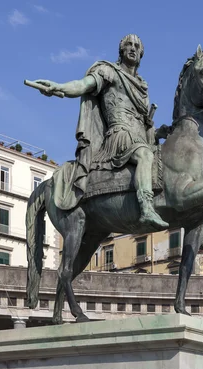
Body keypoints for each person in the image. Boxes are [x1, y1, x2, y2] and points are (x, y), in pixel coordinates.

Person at [33, 34, 169, 230]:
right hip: (119, 135)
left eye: (137, 46)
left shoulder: (142, 87)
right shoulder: (109, 72)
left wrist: (158, 133)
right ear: (121, 51)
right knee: (145, 155)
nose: (132, 48)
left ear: (141, 54)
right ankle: (146, 207)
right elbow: (82, 85)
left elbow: (144, 128)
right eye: (128, 45)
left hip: (138, 138)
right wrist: (59, 87)